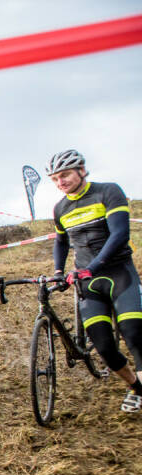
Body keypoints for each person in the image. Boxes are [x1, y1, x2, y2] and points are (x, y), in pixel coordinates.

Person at [47, 149, 142, 413]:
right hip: (88, 283)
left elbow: (120, 233)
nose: (60, 183)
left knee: (134, 332)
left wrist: (94, 266)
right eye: (55, 179)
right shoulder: (60, 208)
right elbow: (61, 241)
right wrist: (58, 271)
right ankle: (136, 387)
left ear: (82, 170)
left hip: (118, 273)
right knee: (103, 346)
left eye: (64, 175)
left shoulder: (108, 192)